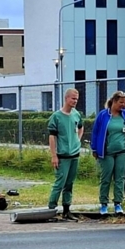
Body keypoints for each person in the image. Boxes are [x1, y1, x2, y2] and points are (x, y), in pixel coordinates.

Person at [91, 91, 125, 216]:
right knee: (106, 178)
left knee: (120, 178)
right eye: (121, 102)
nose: (123, 105)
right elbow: (95, 132)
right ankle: (103, 204)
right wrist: (94, 149)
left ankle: (118, 203)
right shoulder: (103, 115)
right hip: (107, 152)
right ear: (114, 102)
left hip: (123, 151)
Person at [47, 88, 84, 221]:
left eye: (76, 99)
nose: (75, 101)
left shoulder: (76, 114)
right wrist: (54, 155)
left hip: (74, 154)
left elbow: (80, 126)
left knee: (70, 183)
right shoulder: (56, 116)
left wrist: (77, 140)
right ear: (66, 98)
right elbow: (52, 137)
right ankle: (51, 209)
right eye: (73, 98)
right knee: (59, 183)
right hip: (62, 155)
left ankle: (66, 209)